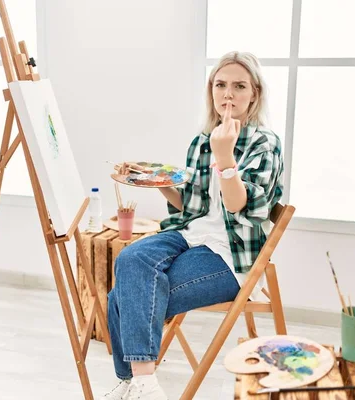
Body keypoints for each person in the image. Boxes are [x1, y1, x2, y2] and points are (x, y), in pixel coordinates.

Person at [99, 51, 284, 400]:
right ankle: (140, 384)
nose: (228, 94)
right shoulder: (202, 141)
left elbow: (235, 205)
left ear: (254, 94)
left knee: (122, 296)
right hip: (191, 234)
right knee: (130, 261)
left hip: (232, 253)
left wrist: (226, 156)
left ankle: (137, 384)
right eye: (220, 85)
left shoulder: (265, 144)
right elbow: (194, 207)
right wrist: (155, 182)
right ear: (210, 91)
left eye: (239, 86)